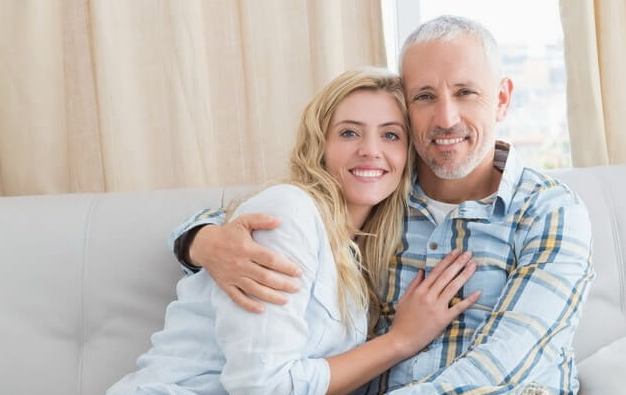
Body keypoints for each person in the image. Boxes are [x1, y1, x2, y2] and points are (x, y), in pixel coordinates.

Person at [173, 16, 595, 394]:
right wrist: (202, 242)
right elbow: (280, 215)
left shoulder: (550, 212)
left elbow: (506, 360)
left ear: (502, 99)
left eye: (466, 92)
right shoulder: (381, 191)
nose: (446, 118)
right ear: (406, 108)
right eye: (425, 96)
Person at [108, 68, 482, 395]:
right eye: (350, 133)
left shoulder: (358, 246)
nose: (370, 150)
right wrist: (401, 341)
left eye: (390, 136)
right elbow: (262, 387)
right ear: (320, 145)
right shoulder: (290, 210)